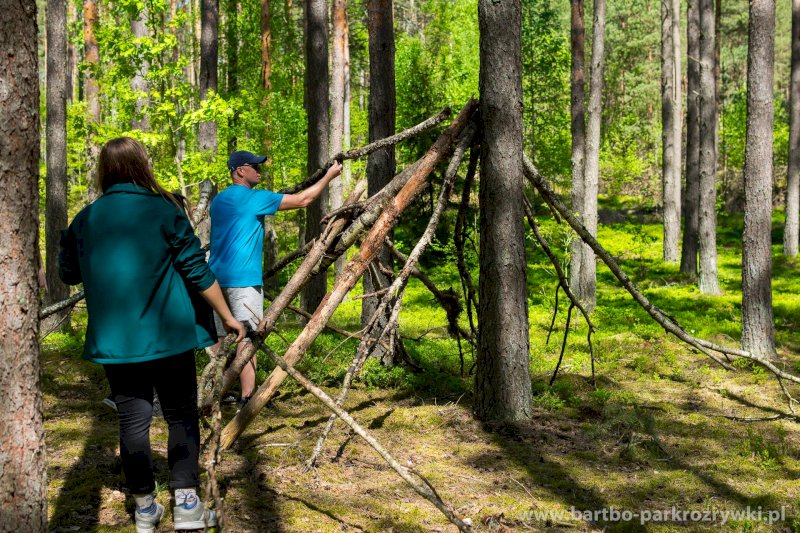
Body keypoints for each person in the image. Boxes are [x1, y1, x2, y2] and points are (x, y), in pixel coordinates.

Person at [59, 137, 246, 533]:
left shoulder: (86, 218)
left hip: (118, 342)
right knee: (180, 415)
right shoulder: (164, 209)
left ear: (105, 172)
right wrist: (227, 316)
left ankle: (145, 508)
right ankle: (188, 507)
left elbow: (68, 273)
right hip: (170, 335)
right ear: (142, 166)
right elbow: (196, 269)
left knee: (133, 422)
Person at [208, 150, 342, 406]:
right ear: (240, 171)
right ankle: (247, 397)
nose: (260, 170)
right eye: (255, 166)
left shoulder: (218, 201)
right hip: (243, 282)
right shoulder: (253, 199)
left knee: (219, 338)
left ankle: (215, 392)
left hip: (215, 281)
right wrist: (329, 176)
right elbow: (304, 199)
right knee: (248, 339)